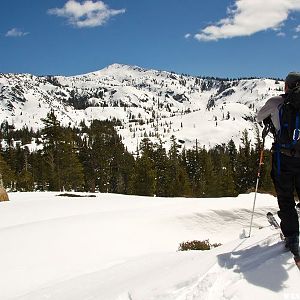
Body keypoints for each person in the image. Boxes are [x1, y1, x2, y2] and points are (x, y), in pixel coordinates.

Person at [257, 72, 300, 260]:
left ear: (287, 86)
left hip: (283, 157)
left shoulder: (276, 102)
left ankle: (292, 237)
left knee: (285, 197)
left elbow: (259, 117)